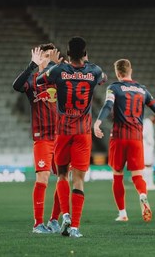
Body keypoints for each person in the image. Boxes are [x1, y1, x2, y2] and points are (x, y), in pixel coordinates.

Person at [36, 36, 107, 238]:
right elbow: (104, 78)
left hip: (63, 132)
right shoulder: (94, 71)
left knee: (61, 175)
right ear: (85, 54)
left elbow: (41, 80)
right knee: (79, 180)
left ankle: (64, 214)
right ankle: (75, 227)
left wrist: (53, 67)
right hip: (83, 133)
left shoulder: (59, 70)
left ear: (67, 55)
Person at [93, 59, 155, 222]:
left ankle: (123, 214)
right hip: (136, 138)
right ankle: (143, 195)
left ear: (117, 72)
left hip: (119, 137)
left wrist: (98, 121)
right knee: (138, 175)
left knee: (117, 175)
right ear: (131, 70)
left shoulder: (114, 88)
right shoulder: (142, 89)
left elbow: (108, 106)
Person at [12, 44, 62, 234]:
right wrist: (31, 65)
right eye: (44, 56)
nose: (46, 59)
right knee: (43, 178)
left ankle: (54, 220)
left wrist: (62, 67)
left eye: (49, 56)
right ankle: (37, 224)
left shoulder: (59, 79)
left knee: (65, 177)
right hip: (43, 138)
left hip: (61, 136)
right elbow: (16, 86)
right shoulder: (32, 81)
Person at [143, 114, 155, 191]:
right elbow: (143, 134)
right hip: (146, 147)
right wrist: (149, 142)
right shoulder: (147, 122)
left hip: (147, 147)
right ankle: (148, 184)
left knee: (148, 165)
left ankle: (149, 183)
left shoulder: (148, 122)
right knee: (148, 165)